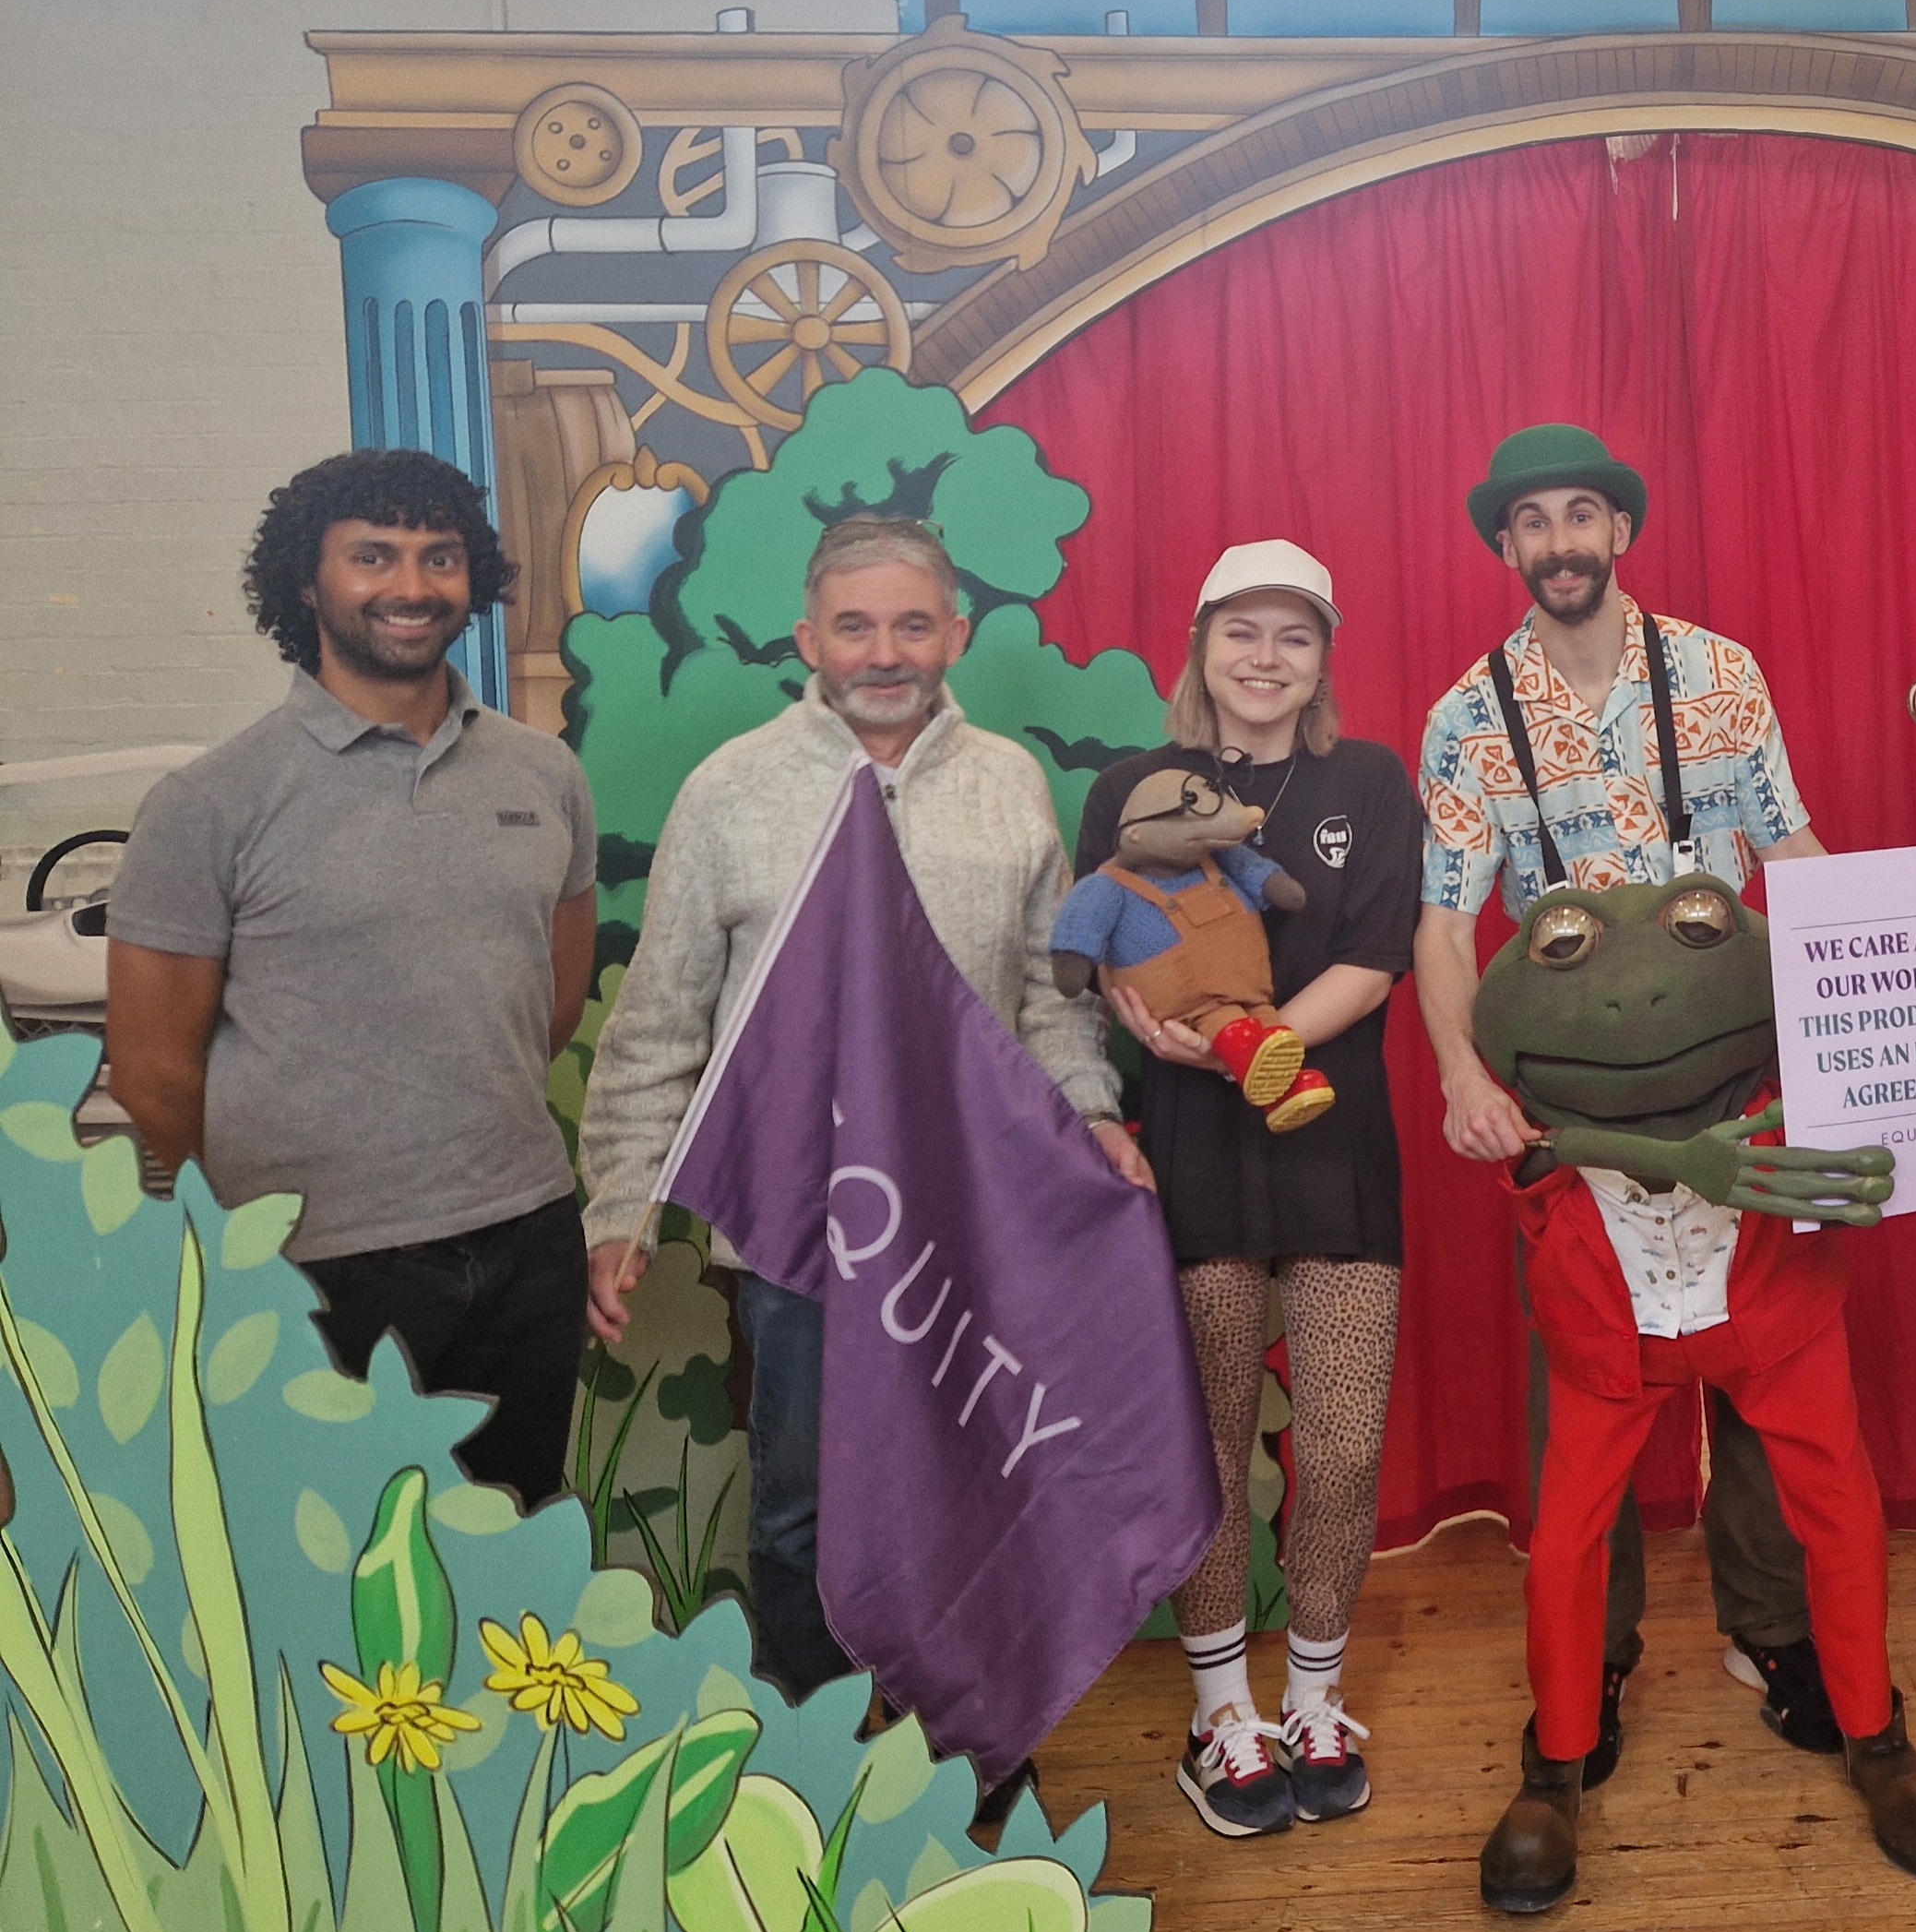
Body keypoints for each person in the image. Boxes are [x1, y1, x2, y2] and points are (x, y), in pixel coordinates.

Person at [577, 516, 1142, 1712]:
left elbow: (1048, 994)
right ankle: (818, 1764)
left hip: (972, 1220)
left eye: (910, 624)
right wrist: (620, 1206)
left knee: (976, 1494)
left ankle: (968, 1749)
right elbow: (659, 1021)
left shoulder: (1008, 783)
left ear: (956, 635)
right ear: (808, 638)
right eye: (854, 625)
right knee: (801, 1510)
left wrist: (1092, 1112)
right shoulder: (729, 790)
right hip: (796, 1231)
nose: (883, 651)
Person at [1412, 422, 1836, 1781]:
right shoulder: (1466, 717)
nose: (1559, 543)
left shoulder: (1719, 674)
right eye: (1532, 522)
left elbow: (1793, 850)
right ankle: (1586, 1653)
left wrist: (1856, 1023)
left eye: (1579, 515)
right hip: (1579, 1103)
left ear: (1620, 530)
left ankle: (1774, 1631)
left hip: (1731, 1072)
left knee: (1762, 1372)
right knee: (1585, 1383)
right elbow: (1443, 921)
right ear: (1506, 545)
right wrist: (1460, 1072)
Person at [107, 448, 599, 1506]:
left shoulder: (545, 773)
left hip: (528, 1237)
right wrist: (238, 1251)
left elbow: (548, 999)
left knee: (510, 1548)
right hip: (314, 1263)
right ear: (306, 580)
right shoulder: (211, 802)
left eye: (439, 556)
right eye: (373, 555)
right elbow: (152, 1069)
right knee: (335, 1564)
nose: (411, 585)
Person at [1074, 540, 1422, 1840]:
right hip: (1190, 1149)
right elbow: (1103, 944)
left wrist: (1257, 1043)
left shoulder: (1367, 779)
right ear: (1202, 644)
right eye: (1242, 630)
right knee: (1209, 1448)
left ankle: (1315, 1696)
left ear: (1322, 658)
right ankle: (1222, 1713)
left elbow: (1376, 957)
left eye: (1293, 635)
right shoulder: (1128, 785)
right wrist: (1165, 1031)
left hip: (1335, 1139)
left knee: (1339, 1442)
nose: (1265, 657)